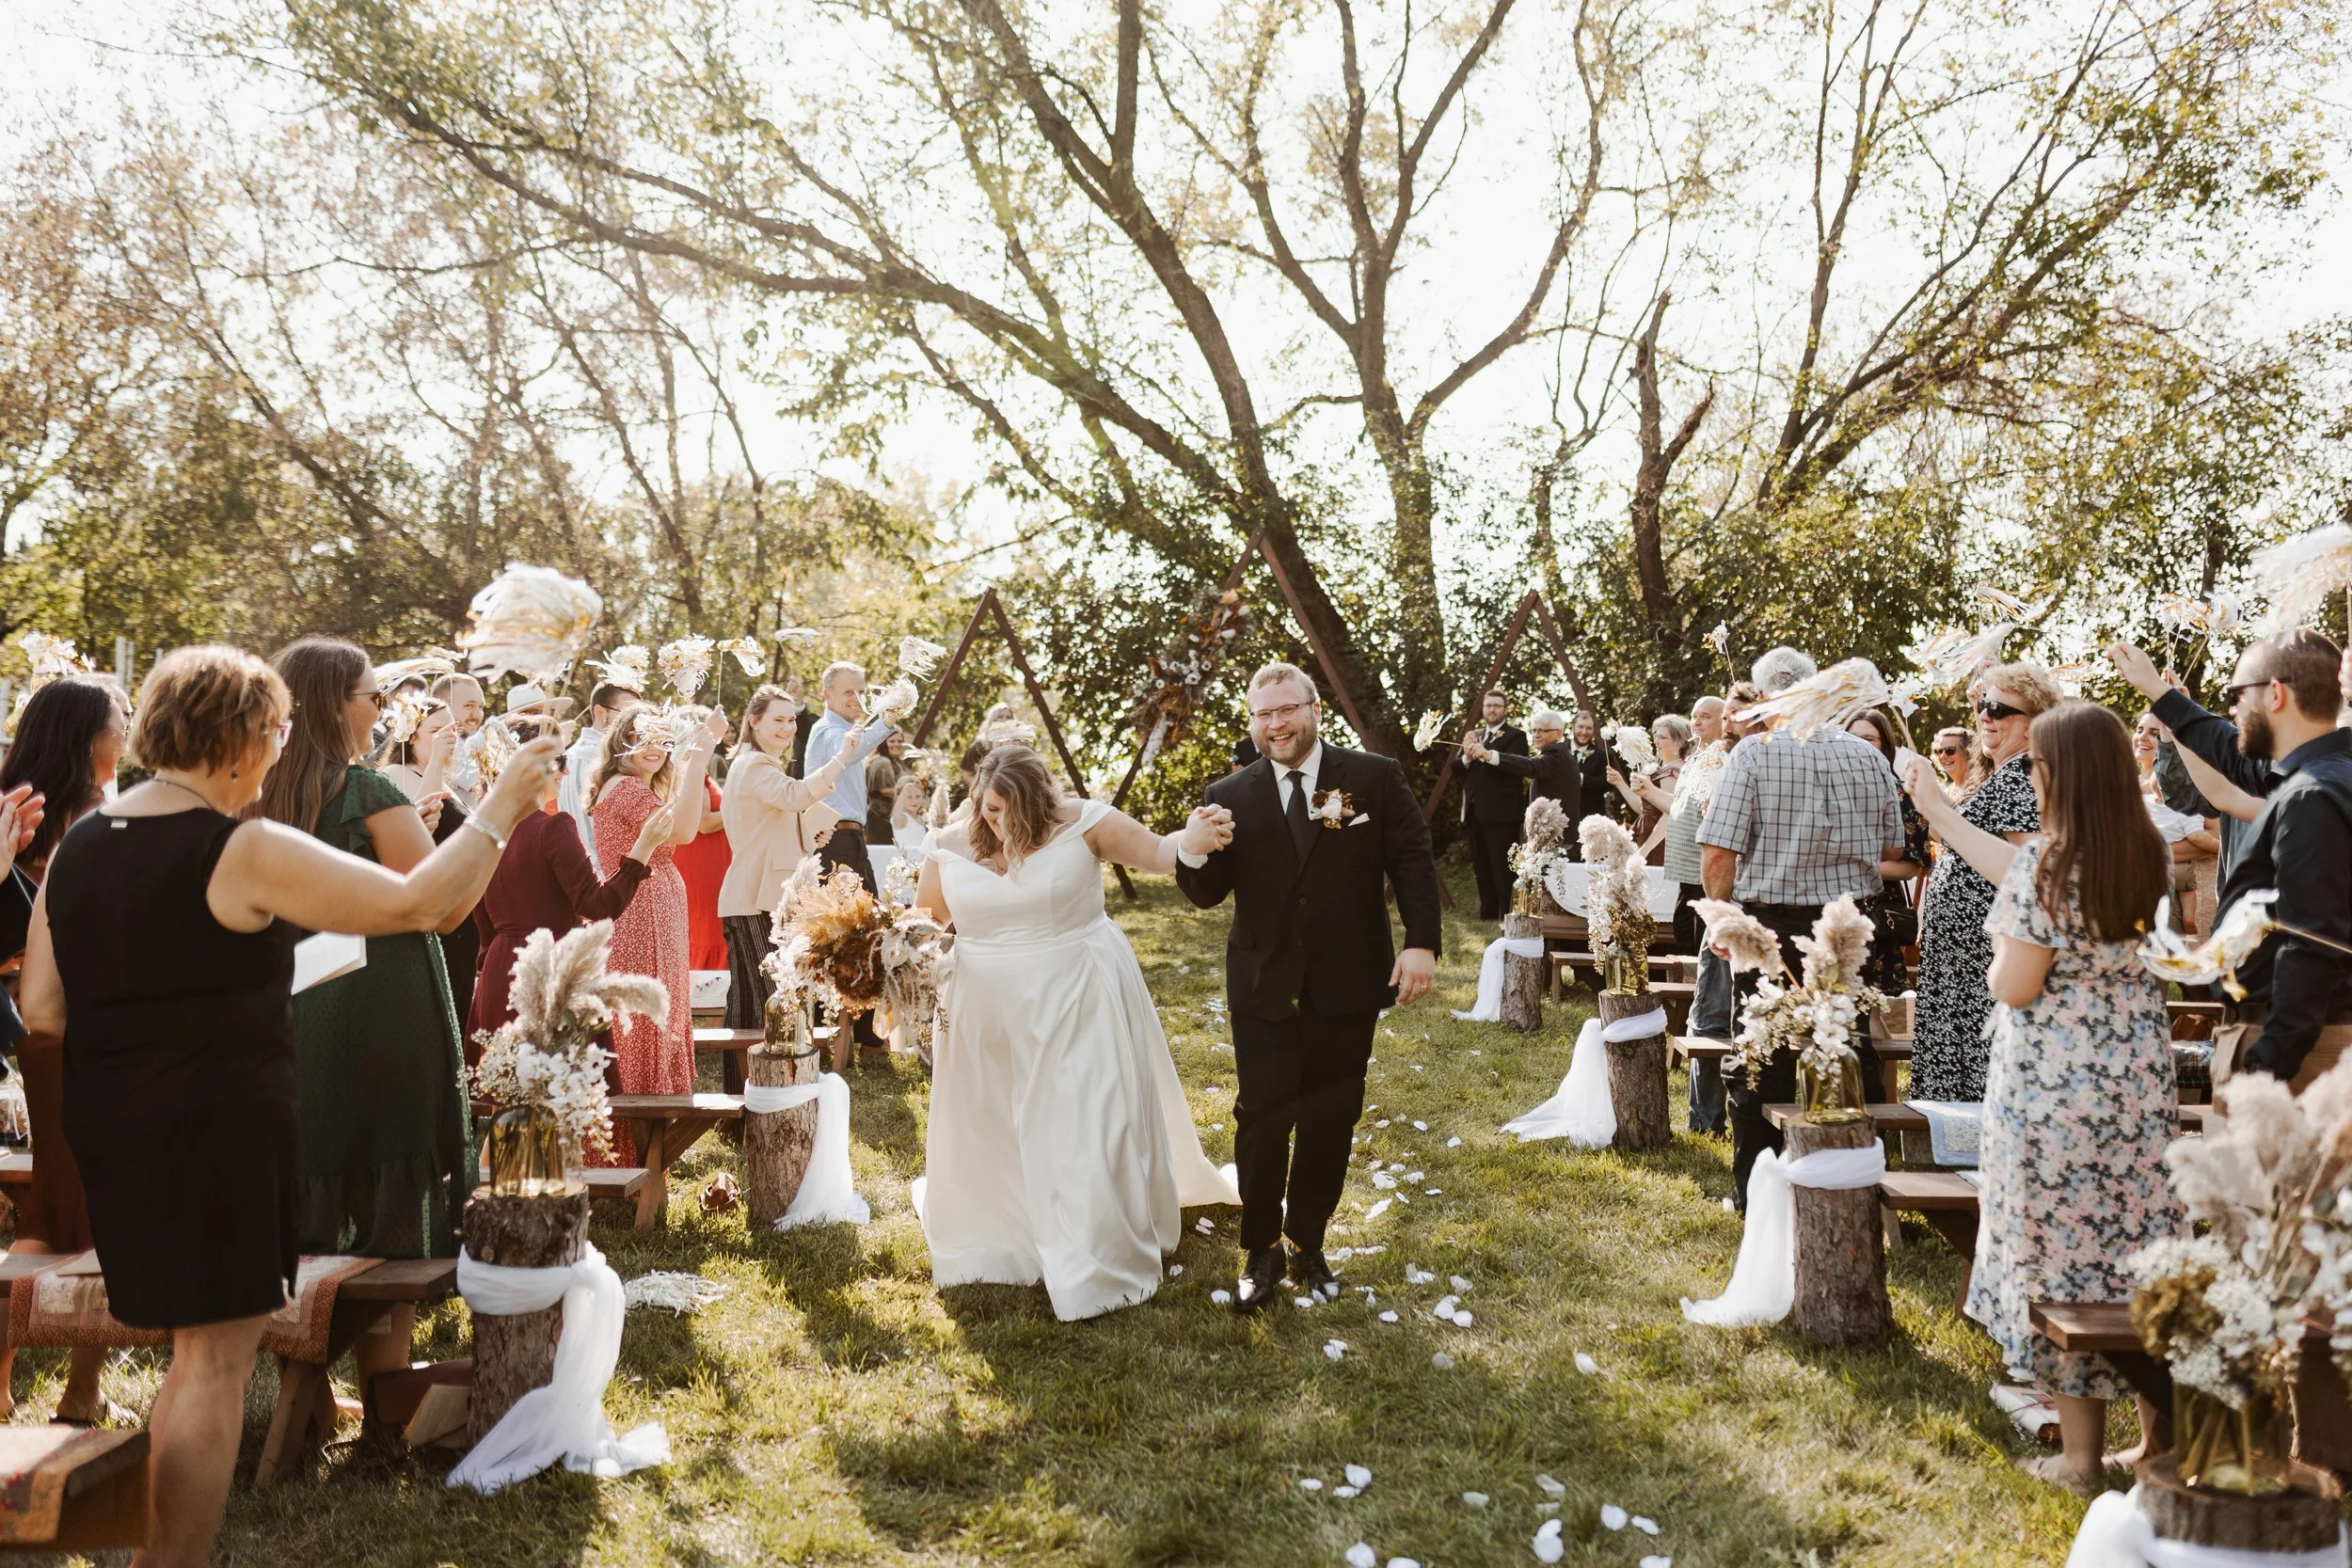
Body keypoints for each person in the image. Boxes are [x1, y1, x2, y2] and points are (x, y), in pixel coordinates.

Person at [19, 645, 561, 1568]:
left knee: (191, 1352)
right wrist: (504, 802)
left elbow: (43, 1008)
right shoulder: (240, 844)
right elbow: (421, 900)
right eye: (271, 737)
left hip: (115, 1129)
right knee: (213, 1362)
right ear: (235, 742)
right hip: (220, 1131)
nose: (277, 755)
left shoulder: (80, 845)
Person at [1904, 702, 2180, 1496]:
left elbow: (2016, 983)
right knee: (2134, 1253)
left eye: (2038, 765)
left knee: (2059, 1257)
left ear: (2060, 773)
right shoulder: (2149, 853)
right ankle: (2159, 1445)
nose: (2031, 774)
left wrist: (1995, 956)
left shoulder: (2046, 866)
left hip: (2056, 1088)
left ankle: (2082, 1457)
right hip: (2135, 1081)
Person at [914, 745, 1241, 1321]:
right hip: (981, 1004)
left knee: (1084, 1117)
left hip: (1077, 990)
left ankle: (1095, 1248)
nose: (998, 823)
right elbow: (925, 920)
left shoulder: (1088, 822)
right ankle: (1008, 1237)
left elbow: (1163, 855)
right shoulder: (949, 843)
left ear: (1041, 803)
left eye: (1010, 813)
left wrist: (1191, 837)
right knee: (992, 1120)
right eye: (989, 810)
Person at [1175, 662, 1444, 1311]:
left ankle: (1307, 1240)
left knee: (1331, 1117)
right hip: (1263, 983)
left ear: (1314, 708)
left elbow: (1410, 856)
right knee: (1261, 1114)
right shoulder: (1229, 792)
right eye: (1262, 715)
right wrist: (1191, 848)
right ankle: (1261, 1247)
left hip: (1347, 980)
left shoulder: (1371, 778)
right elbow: (1207, 893)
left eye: (1285, 710)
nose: (1275, 725)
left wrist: (1421, 942)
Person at [259, 639, 479, 1399]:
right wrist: (491, 831)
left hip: (289, 1013)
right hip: (381, 1007)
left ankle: (304, 1375)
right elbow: (445, 906)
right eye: (372, 696)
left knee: (314, 1178)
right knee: (391, 1186)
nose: (381, 710)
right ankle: (385, 1387)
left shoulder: (258, 795)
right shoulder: (364, 790)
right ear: (333, 705)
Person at [1696, 647, 1905, 1207]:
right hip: (1849, 926)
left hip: (1774, 927)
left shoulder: (1752, 755)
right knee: (1848, 1050)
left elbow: (1719, 851)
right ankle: (1851, 1187)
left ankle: (1760, 1197)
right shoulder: (1868, 756)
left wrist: (1721, 918)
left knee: (1763, 1057)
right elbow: (1892, 842)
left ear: (1764, 698)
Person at [2112, 631, 2352, 1086]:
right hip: (2302, 1038)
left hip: (2304, 1052)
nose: (2234, 711)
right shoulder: (2322, 770)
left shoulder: (2312, 796)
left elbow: (2314, 944)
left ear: (2276, 694)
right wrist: (2158, 693)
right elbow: (2232, 757)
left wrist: (2266, 1063)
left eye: (2237, 694)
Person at [0, 675, 123, 1422]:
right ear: (88, 738)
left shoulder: (13, 806)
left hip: (32, 1042)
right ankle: (80, 1391)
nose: (130, 729)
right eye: (120, 719)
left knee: (43, 1220)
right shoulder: (100, 820)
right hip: (94, 1038)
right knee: (96, 1225)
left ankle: (4, 1386)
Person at [1909, 662, 2061, 1101]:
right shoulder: (2004, 774)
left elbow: (2027, 869)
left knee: (1979, 1068)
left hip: (1982, 960)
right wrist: (1932, 802)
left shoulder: (2021, 777)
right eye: (1983, 706)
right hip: (1962, 957)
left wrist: (1936, 807)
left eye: (1999, 709)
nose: (1985, 717)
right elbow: (1966, 844)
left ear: (2034, 725)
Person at [468, 741, 666, 1054]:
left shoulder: (486, 832)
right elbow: (598, 906)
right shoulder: (554, 827)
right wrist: (643, 848)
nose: (567, 770)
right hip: (553, 971)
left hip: (499, 970)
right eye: (559, 761)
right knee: (562, 1092)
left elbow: (482, 920)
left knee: (506, 1094)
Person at [589, 704, 726, 1120]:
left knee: (657, 1007)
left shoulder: (638, 787)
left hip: (653, 905)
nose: (654, 748)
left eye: (662, 739)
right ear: (622, 742)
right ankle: (640, 1125)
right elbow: (684, 832)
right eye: (642, 737)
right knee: (643, 1013)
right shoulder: (627, 788)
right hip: (639, 910)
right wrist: (699, 755)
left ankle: (653, 1125)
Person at [717, 685, 856, 1076]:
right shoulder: (756, 765)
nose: (787, 727)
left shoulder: (758, 766)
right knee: (766, 1000)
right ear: (753, 721)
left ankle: (745, 1098)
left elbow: (772, 823)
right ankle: (759, 1095)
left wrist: (807, 835)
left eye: (791, 719)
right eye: (777, 719)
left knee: (749, 1001)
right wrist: (841, 758)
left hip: (757, 895)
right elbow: (794, 796)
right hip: (755, 898)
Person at [803, 662, 898, 1056]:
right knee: (841, 933)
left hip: (851, 839)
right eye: (848, 692)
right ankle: (840, 1031)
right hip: (834, 840)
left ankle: (864, 1032)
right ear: (827, 695)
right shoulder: (828, 732)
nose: (858, 699)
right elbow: (855, 752)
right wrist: (888, 717)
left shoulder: (847, 730)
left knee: (868, 927)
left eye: (862, 691)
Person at [1844, 708, 1931, 996]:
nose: (1858, 744)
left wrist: (1849, 866)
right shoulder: (1826, 788)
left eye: (1868, 738)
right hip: (1825, 909)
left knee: (1875, 1001)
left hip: (1876, 911)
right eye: (1851, 737)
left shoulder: (1901, 795)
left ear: (1885, 745)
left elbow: (1911, 866)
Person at [2134, 709, 2219, 934]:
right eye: (2139, 729)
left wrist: (2148, 854)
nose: (2142, 737)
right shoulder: (2125, 784)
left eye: (2154, 733)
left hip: (2189, 895)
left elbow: (2216, 841)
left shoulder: (2194, 785)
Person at [669, 705, 733, 975]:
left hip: (707, 864)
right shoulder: (688, 769)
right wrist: (740, 806)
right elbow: (704, 824)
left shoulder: (690, 768)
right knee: (707, 929)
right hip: (701, 866)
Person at [1456, 689, 1528, 920]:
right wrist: (1467, 756)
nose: (1492, 709)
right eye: (1488, 706)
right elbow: (1455, 769)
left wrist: (1487, 753)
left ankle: (1507, 912)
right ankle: (1487, 912)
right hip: (1475, 811)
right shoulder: (1474, 735)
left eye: (1497, 705)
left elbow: (1517, 767)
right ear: (1483, 709)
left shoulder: (1516, 736)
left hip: (1502, 813)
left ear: (1505, 710)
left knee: (1502, 866)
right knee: (1481, 864)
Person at [562, 678, 644, 868]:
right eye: (626, 713)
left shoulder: (572, 752)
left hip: (585, 871)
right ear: (600, 712)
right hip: (604, 872)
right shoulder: (601, 757)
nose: (634, 723)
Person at [1607, 713, 1692, 862]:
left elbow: (1670, 814)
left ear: (1678, 743)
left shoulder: (1672, 772)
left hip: (1657, 841)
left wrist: (1646, 848)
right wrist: (1620, 783)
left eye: (1662, 738)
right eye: (1656, 736)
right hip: (1648, 834)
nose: (1655, 741)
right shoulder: (1666, 768)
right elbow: (1643, 809)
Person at [1469, 708, 1579, 822]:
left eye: (1541, 731)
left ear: (1558, 733)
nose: (1536, 735)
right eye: (1534, 731)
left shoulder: (1557, 753)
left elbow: (1531, 765)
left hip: (1557, 835)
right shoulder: (1557, 755)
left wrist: (1489, 755)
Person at [430, 673, 488, 806]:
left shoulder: (472, 743)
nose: (478, 715)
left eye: (481, 707)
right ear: (443, 706)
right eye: (469, 705)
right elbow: (494, 785)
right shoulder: (450, 746)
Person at [1569, 709, 1614, 822]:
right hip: (1562, 817)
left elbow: (1608, 783)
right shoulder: (1559, 751)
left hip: (1591, 818)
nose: (1584, 732)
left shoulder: (1603, 756)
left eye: (1589, 728)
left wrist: (1582, 779)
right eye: (1580, 727)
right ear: (1573, 726)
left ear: (1594, 730)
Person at [1929, 726, 1974, 790]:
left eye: (1950, 750)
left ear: (1967, 752)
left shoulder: (1982, 787)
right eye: (1940, 751)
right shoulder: (1946, 793)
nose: (1942, 756)